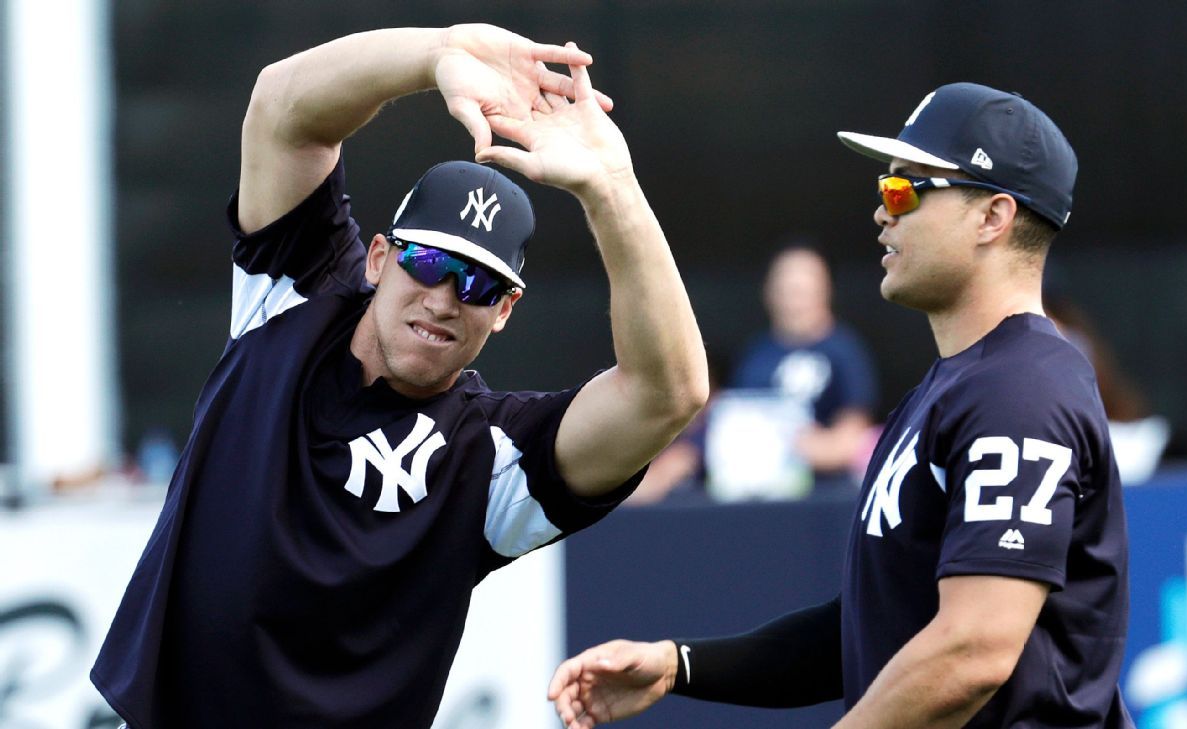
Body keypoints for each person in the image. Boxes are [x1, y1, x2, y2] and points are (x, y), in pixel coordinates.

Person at [91, 23, 708, 729]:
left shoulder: (493, 456)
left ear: (505, 310)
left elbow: (669, 393)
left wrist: (612, 189)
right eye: (428, 263)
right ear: (380, 257)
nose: (443, 298)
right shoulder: (296, 297)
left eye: (477, 284)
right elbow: (281, 108)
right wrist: (440, 53)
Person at [548, 83, 1132, 728]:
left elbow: (974, 650)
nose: (883, 212)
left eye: (905, 190)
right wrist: (680, 665)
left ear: (992, 217)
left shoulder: (1020, 390)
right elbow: (867, 631)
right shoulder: (956, 388)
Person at [630, 244, 879, 503]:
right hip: (753, 491)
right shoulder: (756, 354)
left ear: (824, 291)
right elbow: (729, 419)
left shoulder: (844, 351)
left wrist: (809, 445)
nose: (794, 300)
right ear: (769, 293)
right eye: (786, 289)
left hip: (819, 497)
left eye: (802, 290)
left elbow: (853, 433)